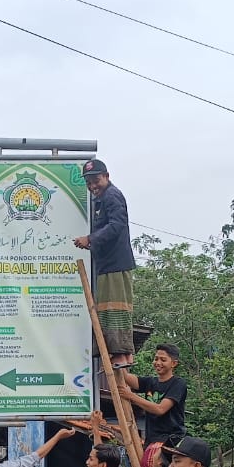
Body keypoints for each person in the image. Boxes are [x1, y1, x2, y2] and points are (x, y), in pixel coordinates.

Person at [72, 158, 135, 368]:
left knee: (115, 308)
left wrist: (90, 239)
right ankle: (119, 355)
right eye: (88, 183)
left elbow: (117, 225)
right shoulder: (101, 199)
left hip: (116, 264)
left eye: (95, 180)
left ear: (106, 177)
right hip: (106, 263)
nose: (92, 186)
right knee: (106, 308)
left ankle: (121, 354)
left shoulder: (112, 196)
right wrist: (91, 244)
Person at [118, 342, 187, 444]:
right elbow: (127, 378)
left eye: (163, 360)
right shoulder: (150, 382)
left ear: (174, 364)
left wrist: (131, 396)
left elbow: (160, 409)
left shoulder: (178, 384)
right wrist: (119, 359)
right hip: (151, 440)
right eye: (156, 359)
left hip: (170, 440)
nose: (158, 363)